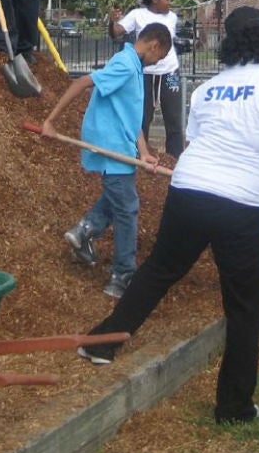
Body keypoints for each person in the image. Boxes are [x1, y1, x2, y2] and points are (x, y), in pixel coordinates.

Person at [79, 7, 259, 425]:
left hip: (190, 190)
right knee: (242, 306)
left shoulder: (209, 89)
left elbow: (206, 144)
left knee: (160, 269)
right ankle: (234, 407)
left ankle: (102, 343)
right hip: (240, 206)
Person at [42, 24, 173, 298]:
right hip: (108, 143)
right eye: (158, 58)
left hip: (121, 142)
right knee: (127, 208)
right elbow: (81, 82)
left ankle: (85, 230)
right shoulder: (125, 64)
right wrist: (50, 122)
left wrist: (144, 151)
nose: (155, 63)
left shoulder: (134, 67)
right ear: (154, 46)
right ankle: (122, 275)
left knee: (118, 196)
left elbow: (130, 113)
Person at [108, 0, 184, 158]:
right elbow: (116, 32)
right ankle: (140, 155)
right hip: (146, 74)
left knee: (174, 119)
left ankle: (175, 158)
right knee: (143, 118)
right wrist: (112, 21)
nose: (169, 3)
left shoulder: (172, 17)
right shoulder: (138, 15)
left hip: (170, 72)